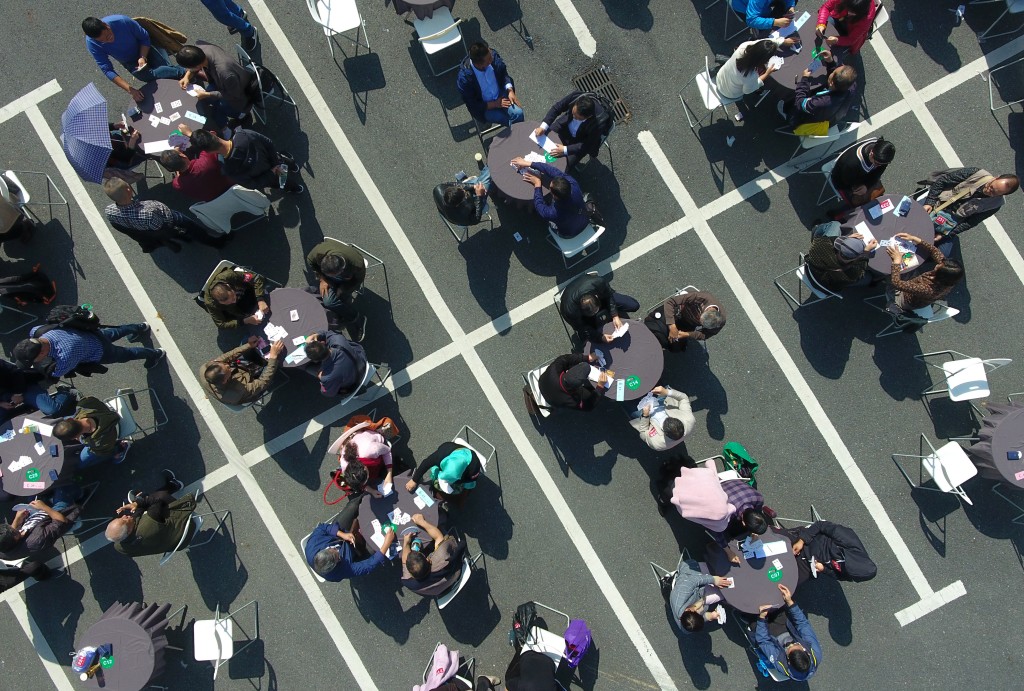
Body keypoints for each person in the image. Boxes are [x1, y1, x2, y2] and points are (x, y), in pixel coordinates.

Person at [102, 177, 226, 252]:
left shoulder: (109, 211)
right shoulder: (146, 213)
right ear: (128, 190)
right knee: (194, 229)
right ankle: (215, 243)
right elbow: (161, 227)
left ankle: (184, 238)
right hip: (171, 220)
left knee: (178, 234)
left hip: (149, 231)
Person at [82, 15, 186, 102]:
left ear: (105, 25)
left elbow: (144, 38)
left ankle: (185, 71)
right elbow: (107, 69)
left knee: (165, 70)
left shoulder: (122, 21)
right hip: (129, 61)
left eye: (108, 34)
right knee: (150, 76)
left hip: (146, 47)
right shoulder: (92, 44)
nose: (109, 40)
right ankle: (185, 71)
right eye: (103, 41)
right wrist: (130, 90)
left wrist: (142, 57)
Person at [919, 169, 1019, 255]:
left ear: (1004, 194)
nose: (988, 190)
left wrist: (944, 235)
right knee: (908, 213)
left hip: (950, 222)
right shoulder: (976, 173)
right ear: (995, 178)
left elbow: (970, 222)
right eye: (991, 186)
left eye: (994, 193)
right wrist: (930, 202)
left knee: (943, 253)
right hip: (936, 203)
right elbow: (942, 181)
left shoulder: (995, 205)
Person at [13, 321, 165, 378]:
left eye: (34, 361)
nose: (35, 363)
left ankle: (155, 354)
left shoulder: (65, 355)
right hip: (92, 334)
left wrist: (39, 367)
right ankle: (140, 327)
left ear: (42, 353)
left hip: (99, 352)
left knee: (126, 354)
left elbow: (57, 372)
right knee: (115, 332)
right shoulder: (37, 331)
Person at [664, 465, 768, 547]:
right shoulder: (724, 511)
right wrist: (727, 550)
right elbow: (717, 530)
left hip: (729, 479)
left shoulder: (758, 498)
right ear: (744, 523)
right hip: (710, 486)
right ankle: (664, 496)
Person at [188, 128, 303, 194]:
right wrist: (276, 164)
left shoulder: (229, 170)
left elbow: (252, 184)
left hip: (270, 177)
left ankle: (296, 188)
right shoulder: (243, 134)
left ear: (208, 152)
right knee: (286, 163)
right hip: (276, 160)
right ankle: (294, 167)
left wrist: (272, 172)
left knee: (283, 182)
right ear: (213, 133)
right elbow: (268, 143)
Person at [107, 473, 196, 558]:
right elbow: (156, 500)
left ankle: (171, 486)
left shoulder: (120, 548)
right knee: (158, 495)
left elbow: (135, 525)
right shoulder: (148, 523)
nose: (124, 516)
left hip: (173, 546)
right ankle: (174, 484)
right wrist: (138, 502)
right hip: (185, 529)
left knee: (149, 506)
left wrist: (136, 507)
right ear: (129, 530)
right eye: (124, 520)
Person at [176, 42, 257, 126]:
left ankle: (242, 116)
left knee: (220, 108)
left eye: (189, 68)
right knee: (208, 98)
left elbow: (234, 95)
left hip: (241, 95)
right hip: (223, 83)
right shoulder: (200, 49)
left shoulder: (225, 73)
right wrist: (187, 76)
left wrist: (207, 94)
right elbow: (195, 65)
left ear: (197, 66)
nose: (188, 70)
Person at [752, 584, 822, 681]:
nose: (790, 644)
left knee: (751, 611)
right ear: (806, 652)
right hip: (786, 627)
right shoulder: (815, 652)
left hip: (772, 638)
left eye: (788, 647)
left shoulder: (781, 664)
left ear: (788, 660)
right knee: (778, 600)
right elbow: (802, 624)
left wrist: (762, 618)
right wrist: (790, 603)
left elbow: (763, 641)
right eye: (796, 644)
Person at [511, 158, 589, 239]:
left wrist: (537, 184)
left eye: (550, 188)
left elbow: (539, 206)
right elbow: (552, 170)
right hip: (585, 219)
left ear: (555, 196)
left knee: (552, 223)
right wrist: (529, 163)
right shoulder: (573, 184)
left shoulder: (553, 213)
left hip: (568, 233)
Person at [306, 239, 367, 341]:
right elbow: (310, 261)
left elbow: (357, 281)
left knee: (331, 302)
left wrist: (342, 289)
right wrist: (323, 279)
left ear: (342, 269)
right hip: (327, 279)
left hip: (347, 283)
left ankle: (356, 318)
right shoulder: (318, 253)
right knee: (329, 301)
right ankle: (341, 312)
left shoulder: (356, 264)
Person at [305, 514, 396, 582]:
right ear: (335, 565)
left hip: (339, 533)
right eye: (338, 557)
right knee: (374, 547)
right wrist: (386, 544)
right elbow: (368, 566)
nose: (337, 550)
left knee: (352, 506)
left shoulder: (311, 546)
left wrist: (342, 534)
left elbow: (322, 528)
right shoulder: (339, 572)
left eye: (334, 550)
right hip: (353, 550)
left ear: (324, 549)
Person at [885, 232, 964, 311]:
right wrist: (914, 239)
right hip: (916, 288)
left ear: (940, 275)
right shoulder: (949, 277)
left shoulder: (927, 289)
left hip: (903, 298)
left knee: (888, 272)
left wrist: (897, 261)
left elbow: (896, 283)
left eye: (937, 268)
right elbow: (934, 251)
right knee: (908, 266)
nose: (937, 265)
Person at [780, 520, 877, 583]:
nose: (844, 568)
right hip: (806, 543)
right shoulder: (849, 539)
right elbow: (820, 525)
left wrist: (823, 569)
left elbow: (838, 576)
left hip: (809, 564)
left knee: (788, 582)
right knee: (774, 542)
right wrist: (802, 540)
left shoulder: (852, 574)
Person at [782, 50, 857, 128]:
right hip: (832, 115)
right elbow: (838, 78)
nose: (834, 69)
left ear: (831, 83)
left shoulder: (821, 102)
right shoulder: (850, 84)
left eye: (833, 72)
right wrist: (830, 61)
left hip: (810, 121)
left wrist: (804, 79)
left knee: (794, 104)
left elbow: (800, 103)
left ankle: (788, 117)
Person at [659, 553, 732, 634]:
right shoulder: (687, 627)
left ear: (688, 609)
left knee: (720, 571)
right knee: (725, 592)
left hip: (691, 574)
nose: (701, 610)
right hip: (700, 593)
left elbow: (693, 580)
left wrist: (714, 580)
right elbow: (699, 617)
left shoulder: (681, 594)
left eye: (698, 611)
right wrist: (710, 616)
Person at [200, 337, 285, 406]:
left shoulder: (206, 368)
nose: (227, 365)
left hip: (238, 375)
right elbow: (263, 382)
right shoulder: (238, 391)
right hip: (249, 390)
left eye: (224, 364)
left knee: (245, 341)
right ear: (225, 380)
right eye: (228, 369)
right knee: (270, 364)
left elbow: (226, 357)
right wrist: (273, 357)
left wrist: (248, 345)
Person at [456, 41, 524, 127]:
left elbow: (503, 74)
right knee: (506, 119)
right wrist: (495, 104)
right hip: (485, 107)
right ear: (479, 65)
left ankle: (516, 132)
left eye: (490, 54)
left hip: (501, 95)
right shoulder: (464, 79)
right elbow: (472, 104)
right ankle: (516, 133)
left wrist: (510, 90)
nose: (492, 58)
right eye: (488, 60)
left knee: (518, 114)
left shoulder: (493, 56)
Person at [559, 273, 640, 343]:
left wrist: (615, 315)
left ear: (597, 296)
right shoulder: (569, 311)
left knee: (634, 305)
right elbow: (581, 327)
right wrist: (600, 338)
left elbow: (609, 295)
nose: (596, 313)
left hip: (599, 295)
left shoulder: (599, 283)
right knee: (586, 338)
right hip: (578, 312)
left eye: (596, 310)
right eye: (592, 313)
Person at [534, 92, 608, 169]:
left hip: (578, 142)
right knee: (541, 142)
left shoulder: (599, 124)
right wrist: (543, 127)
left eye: (577, 118)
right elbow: (557, 108)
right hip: (563, 126)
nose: (573, 117)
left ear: (588, 117)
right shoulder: (576, 96)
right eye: (573, 113)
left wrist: (565, 150)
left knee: (562, 167)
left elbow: (587, 145)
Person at [0, 492, 82, 560]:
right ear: (15, 538)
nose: (13, 527)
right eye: (14, 531)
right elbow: (62, 522)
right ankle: (78, 494)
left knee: (33, 488)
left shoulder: (5, 545)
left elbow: (11, 532)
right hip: (54, 518)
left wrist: (17, 520)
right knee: (62, 488)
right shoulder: (37, 539)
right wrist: (44, 507)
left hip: (36, 518)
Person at [53, 396, 130, 468]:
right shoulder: (83, 404)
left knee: (81, 462)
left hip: (114, 431)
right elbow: (92, 398)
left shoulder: (97, 442)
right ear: (70, 420)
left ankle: (120, 448)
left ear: (75, 437)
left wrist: (83, 441)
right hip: (107, 410)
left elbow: (104, 452)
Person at [715, 37, 798, 102]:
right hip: (729, 93)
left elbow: (762, 42)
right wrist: (767, 73)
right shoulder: (751, 76)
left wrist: (782, 41)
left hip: (719, 77)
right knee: (765, 81)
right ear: (762, 61)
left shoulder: (743, 47)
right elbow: (747, 91)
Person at [401, 513, 463, 597]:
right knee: (440, 526)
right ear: (428, 560)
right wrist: (422, 522)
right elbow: (438, 536)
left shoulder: (408, 581)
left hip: (437, 592)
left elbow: (404, 562)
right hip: (454, 575)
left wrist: (406, 543)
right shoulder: (442, 558)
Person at [644, 290, 726, 352]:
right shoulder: (702, 298)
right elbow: (670, 302)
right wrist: (672, 326)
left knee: (674, 347)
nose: (698, 320)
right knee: (653, 326)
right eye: (700, 319)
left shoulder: (720, 322)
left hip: (688, 325)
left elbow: (705, 335)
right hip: (677, 312)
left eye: (701, 324)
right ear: (706, 310)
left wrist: (686, 334)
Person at [0, 358, 76, 424]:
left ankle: (67, 392)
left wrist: (17, 394)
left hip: (23, 387)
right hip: (4, 398)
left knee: (51, 410)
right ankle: (29, 408)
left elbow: (16, 371)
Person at [805, 223, 876, 292]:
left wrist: (847, 239)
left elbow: (824, 239)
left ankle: (816, 228)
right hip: (826, 288)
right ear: (856, 258)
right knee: (868, 278)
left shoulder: (820, 245)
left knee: (835, 224)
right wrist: (866, 251)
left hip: (809, 269)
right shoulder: (853, 275)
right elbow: (861, 268)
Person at [406, 441, 482, 504]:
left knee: (447, 494)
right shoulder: (441, 455)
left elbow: (468, 484)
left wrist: (462, 499)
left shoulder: (473, 470)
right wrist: (414, 480)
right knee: (438, 487)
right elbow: (426, 463)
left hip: (464, 476)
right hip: (451, 450)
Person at [200, 263, 270, 330]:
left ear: (229, 286)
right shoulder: (211, 304)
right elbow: (221, 324)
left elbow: (255, 278)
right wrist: (245, 321)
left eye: (233, 297)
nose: (234, 301)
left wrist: (260, 300)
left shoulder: (229, 276)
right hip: (235, 309)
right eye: (228, 303)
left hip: (244, 290)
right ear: (218, 302)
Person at [830, 136, 895, 207]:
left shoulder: (881, 155)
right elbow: (846, 182)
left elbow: (877, 173)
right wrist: (861, 187)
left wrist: (866, 185)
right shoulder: (853, 163)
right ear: (871, 154)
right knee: (860, 204)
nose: (878, 166)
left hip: (863, 179)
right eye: (876, 163)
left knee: (879, 193)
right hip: (843, 182)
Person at [630, 385, 695, 452]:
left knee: (626, 399)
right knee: (651, 382)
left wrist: (645, 416)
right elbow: (683, 398)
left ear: (664, 433)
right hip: (663, 403)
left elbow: (643, 432)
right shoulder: (688, 420)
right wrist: (666, 392)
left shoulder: (656, 443)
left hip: (646, 416)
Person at [159, 146, 234, 203]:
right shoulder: (206, 161)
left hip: (213, 202)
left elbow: (178, 175)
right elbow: (208, 144)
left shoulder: (177, 184)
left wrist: (176, 163)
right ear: (183, 156)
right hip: (231, 188)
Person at [304, 330, 367, 397]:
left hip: (354, 383)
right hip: (362, 362)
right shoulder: (338, 340)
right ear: (322, 343)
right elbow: (327, 333)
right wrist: (315, 335)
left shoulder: (327, 377)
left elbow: (327, 393)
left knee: (309, 369)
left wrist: (321, 379)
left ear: (315, 361)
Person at [537, 353, 606, 412]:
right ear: (577, 387)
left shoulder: (554, 369)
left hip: (542, 382)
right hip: (552, 400)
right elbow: (589, 407)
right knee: (588, 395)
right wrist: (600, 387)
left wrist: (587, 358)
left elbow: (564, 358)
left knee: (569, 362)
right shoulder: (570, 400)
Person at [335, 421, 394, 486]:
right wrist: (371, 491)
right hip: (356, 438)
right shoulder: (345, 467)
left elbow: (387, 451)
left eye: (367, 477)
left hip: (374, 439)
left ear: (365, 468)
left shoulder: (372, 450)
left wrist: (389, 473)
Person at [732, 0, 797, 35]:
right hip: (744, 7)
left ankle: (777, 25)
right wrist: (774, 22)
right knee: (764, 28)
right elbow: (751, 20)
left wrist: (790, 6)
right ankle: (761, 33)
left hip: (762, 3)